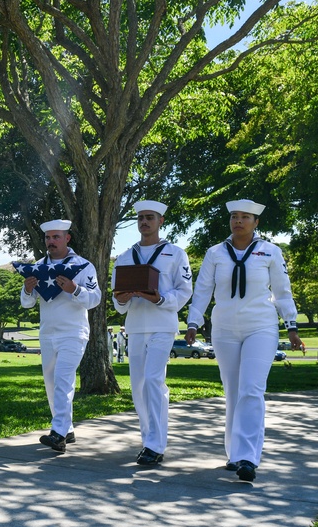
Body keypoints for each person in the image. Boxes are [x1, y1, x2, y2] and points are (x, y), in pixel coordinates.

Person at [185, 199, 301, 482]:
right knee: (233, 391)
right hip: (224, 329)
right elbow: (203, 290)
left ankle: (249, 457)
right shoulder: (215, 253)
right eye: (234, 216)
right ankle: (234, 454)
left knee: (251, 389)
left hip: (260, 327)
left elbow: (282, 292)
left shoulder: (270, 251)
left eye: (245, 217)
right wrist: (193, 322)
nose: (238, 221)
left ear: (256, 222)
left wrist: (292, 325)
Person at [112, 200, 193, 465]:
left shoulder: (176, 253)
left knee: (153, 380)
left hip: (163, 324)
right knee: (138, 386)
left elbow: (184, 291)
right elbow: (117, 302)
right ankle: (148, 440)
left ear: (161, 222)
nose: (144, 222)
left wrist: (161, 299)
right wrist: (122, 298)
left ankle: (156, 445)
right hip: (135, 327)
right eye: (141, 218)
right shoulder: (124, 257)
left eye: (150, 217)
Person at [19, 219, 102, 452]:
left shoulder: (83, 265)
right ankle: (68, 429)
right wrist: (27, 289)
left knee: (64, 380)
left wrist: (74, 289)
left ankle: (57, 434)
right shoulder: (38, 267)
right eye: (48, 238)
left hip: (73, 333)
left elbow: (95, 299)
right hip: (47, 333)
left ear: (67, 238)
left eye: (56, 237)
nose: (51, 242)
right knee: (51, 382)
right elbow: (27, 303)